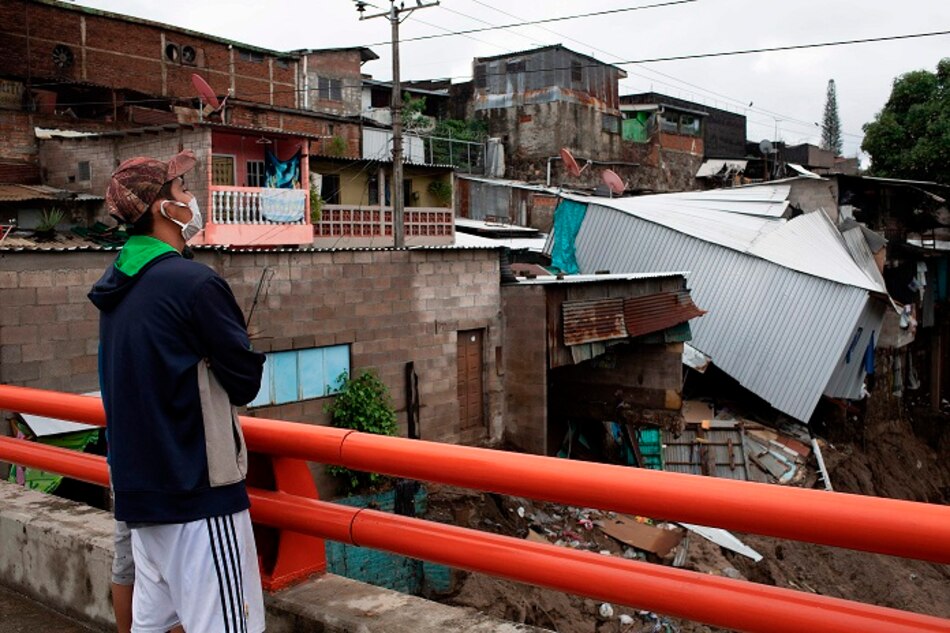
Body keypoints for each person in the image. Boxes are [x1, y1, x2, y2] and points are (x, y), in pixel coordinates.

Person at [89, 150, 266, 633]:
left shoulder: (117, 285)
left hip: (142, 501)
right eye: (183, 189)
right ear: (162, 208)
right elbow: (245, 382)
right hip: (198, 499)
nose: (192, 197)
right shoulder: (195, 282)